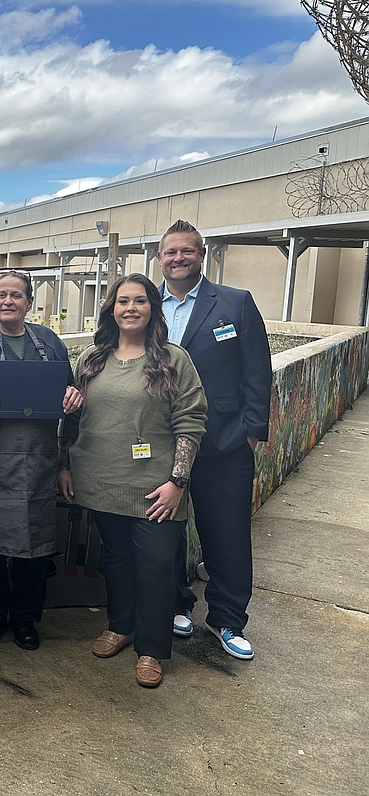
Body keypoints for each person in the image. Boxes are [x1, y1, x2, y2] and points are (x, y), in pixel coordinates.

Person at [59, 274, 208, 688]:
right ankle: (121, 625)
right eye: (122, 301)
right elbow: (71, 420)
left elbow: (191, 422)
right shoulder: (91, 358)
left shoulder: (174, 359)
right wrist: (64, 465)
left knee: (157, 566)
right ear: (110, 309)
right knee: (118, 559)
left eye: (140, 301)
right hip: (101, 482)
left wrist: (178, 481)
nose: (130, 308)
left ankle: (152, 649)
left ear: (152, 309)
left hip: (156, 488)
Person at [157, 220, 271, 660]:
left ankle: (227, 619)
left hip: (225, 442)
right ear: (160, 258)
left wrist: (251, 434)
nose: (179, 258)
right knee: (164, 531)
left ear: (202, 255)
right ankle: (175, 604)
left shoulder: (235, 303)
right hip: (161, 442)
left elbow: (257, 373)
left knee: (227, 534)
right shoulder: (147, 304)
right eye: (171, 252)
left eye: (187, 251)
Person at [0, 271, 82, 653]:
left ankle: (27, 618)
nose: (7, 301)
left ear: (30, 302)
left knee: (35, 544)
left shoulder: (49, 342)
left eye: (16, 295)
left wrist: (73, 398)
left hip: (39, 461)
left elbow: (70, 399)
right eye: (1, 295)